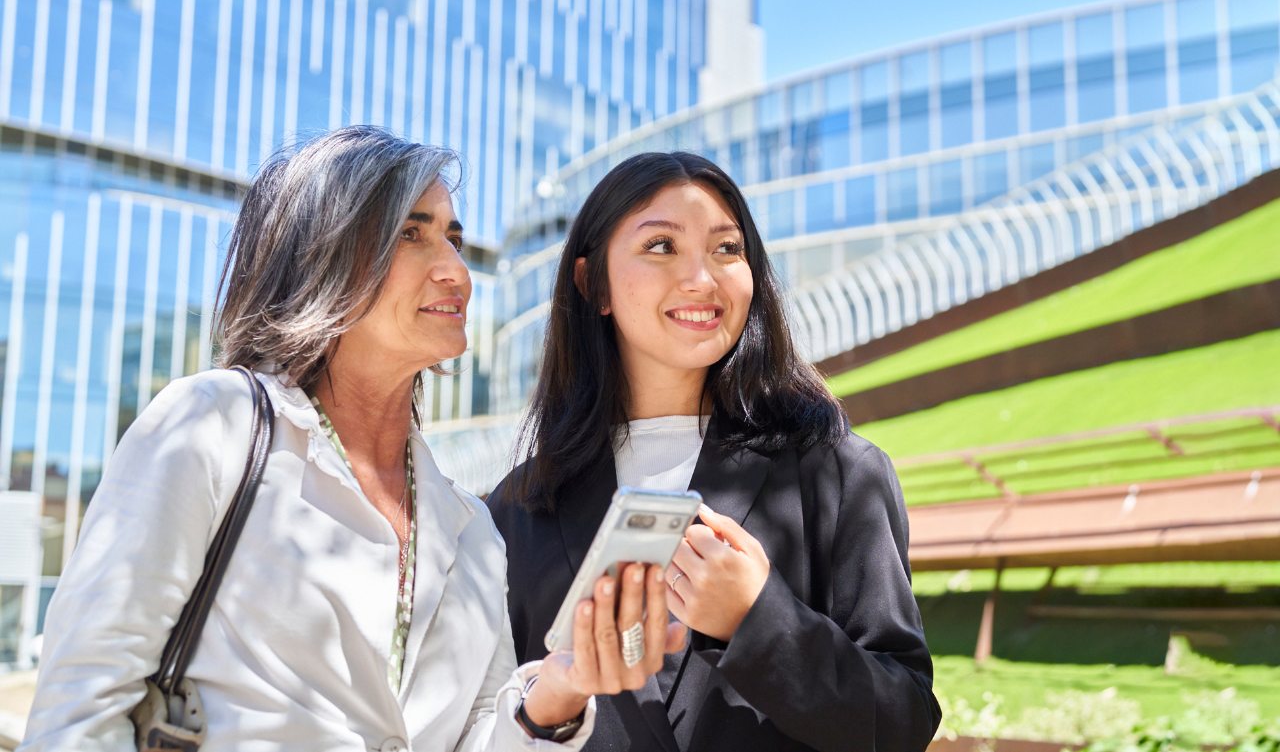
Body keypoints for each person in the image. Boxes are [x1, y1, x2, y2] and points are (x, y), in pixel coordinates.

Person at [20, 127, 683, 752]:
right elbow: (79, 712)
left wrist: (555, 694)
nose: (456, 268)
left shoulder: (472, 528)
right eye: (412, 235)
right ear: (321, 258)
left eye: (453, 236)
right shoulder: (211, 427)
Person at [486, 151, 942, 752]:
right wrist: (551, 708)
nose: (703, 278)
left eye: (727, 249)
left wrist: (758, 618)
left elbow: (903, 722)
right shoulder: (518, 511)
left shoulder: (839, 473)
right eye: (661, 247)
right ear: (591, 283)